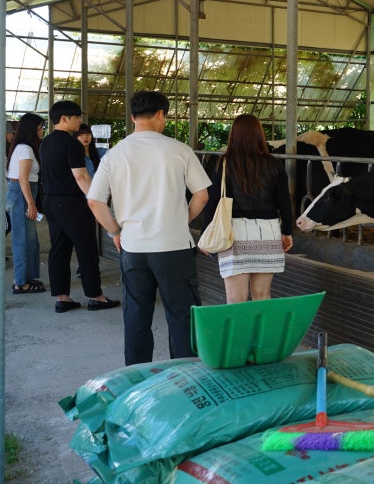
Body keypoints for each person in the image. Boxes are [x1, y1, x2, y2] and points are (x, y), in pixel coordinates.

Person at [87, 90, 211, 365]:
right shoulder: (179, 150)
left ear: (132, 117)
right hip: (174, 247)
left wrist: (116, 232)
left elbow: (95, 202)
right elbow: (202, 195)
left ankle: (137, 379)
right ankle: (185, 376)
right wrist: (180, 220)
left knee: (136, 316)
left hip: (133, 248)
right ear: (160, 115)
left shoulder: (114, 155)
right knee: (182, 316)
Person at [200, 114, 293, 304]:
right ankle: (261, 335)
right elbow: (285, 202)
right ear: (259, 134)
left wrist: (204, 233)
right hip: (267, 234)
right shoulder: (274, 164)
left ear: (234, 135)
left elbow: (213, 201)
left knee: (235, 299)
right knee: (263, 296)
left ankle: (239, 335)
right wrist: (287, 232)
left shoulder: (225, 163)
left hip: (233, 235)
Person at [39, 101, 119, 313]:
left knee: (59, 249)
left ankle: (62, 298)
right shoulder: (71, 143)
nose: (80, 122)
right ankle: (96, 296)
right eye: (77, 118)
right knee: (87, 249)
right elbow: (81, 176)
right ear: (64, 118)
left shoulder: (45, 142)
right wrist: (97, 199)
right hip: (72, 203)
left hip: (51, 201)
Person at [6, 113, 46, 294]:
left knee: (29, 240)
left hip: (21, 193)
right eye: (40, 127)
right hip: (23, 194)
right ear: (32, 129)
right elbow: (23, 179)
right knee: (22, 240)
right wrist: (31, 203)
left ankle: (26, 278)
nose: (42, 130)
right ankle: (21, 282)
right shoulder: (25, 149)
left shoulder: (23, 148)